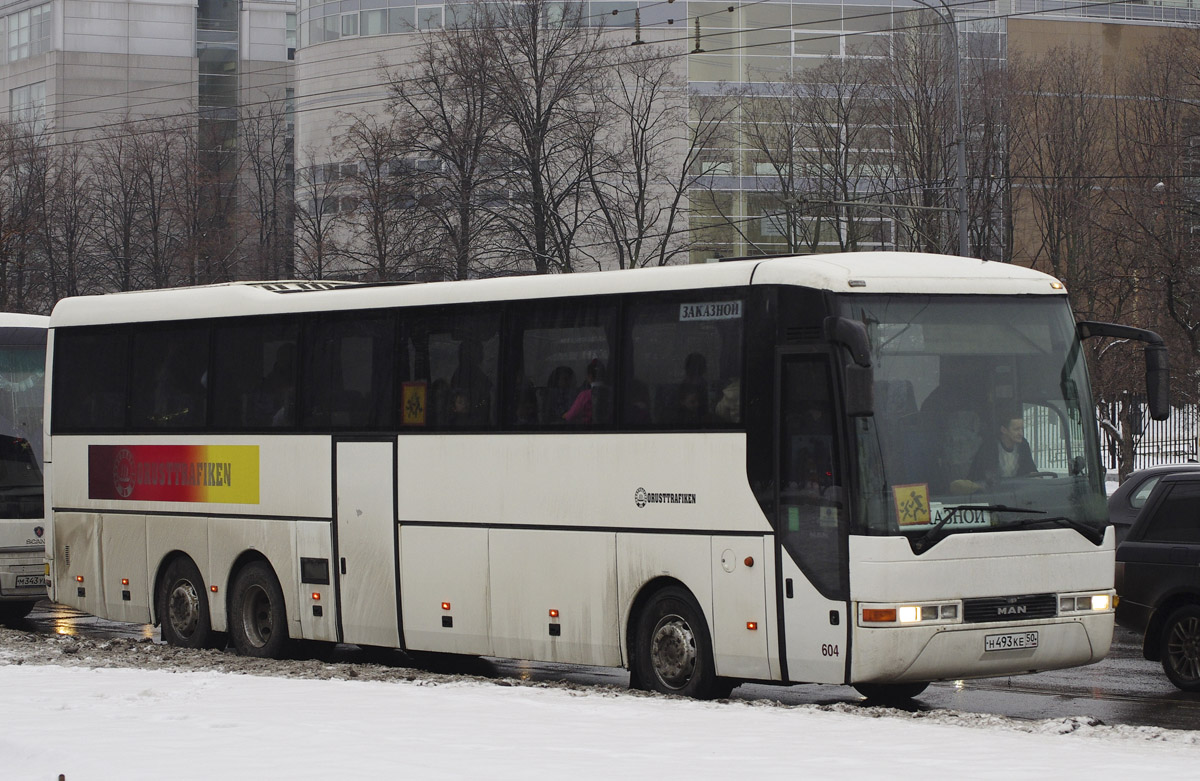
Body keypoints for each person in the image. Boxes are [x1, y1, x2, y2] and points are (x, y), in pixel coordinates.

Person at [968, 403, 1037, 485]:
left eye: (1021, 429)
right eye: (1016, 429)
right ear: (1004, 430)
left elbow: (1031, 471)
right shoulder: (989, 447)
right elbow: (984, 478)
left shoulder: (1023, 445)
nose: (1021, 433)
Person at [563, 359, 603, 424]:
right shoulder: (613, 393)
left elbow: (570, 416)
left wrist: (566, 415)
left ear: (589, 376)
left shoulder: (585, 395)